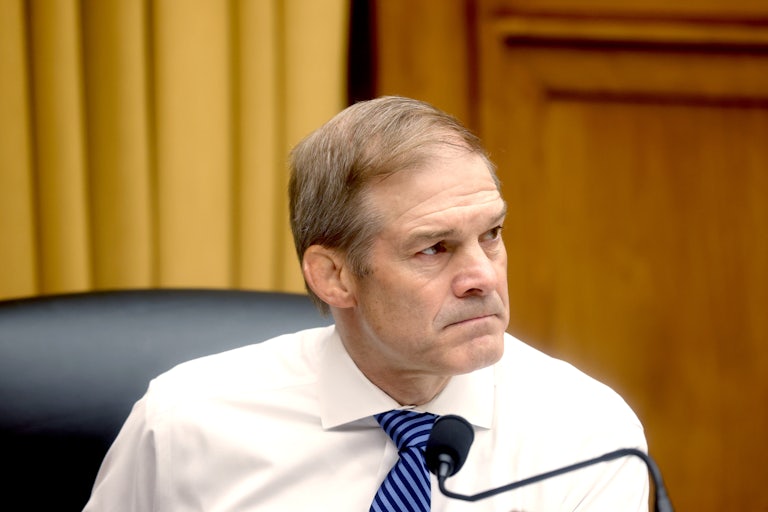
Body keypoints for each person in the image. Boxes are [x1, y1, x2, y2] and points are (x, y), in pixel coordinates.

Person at [83, 96, 648, 511]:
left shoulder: (586, 434)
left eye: (492, 234)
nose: (481, 276)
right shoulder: (187, 423)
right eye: (434, 248)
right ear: (334, 277)